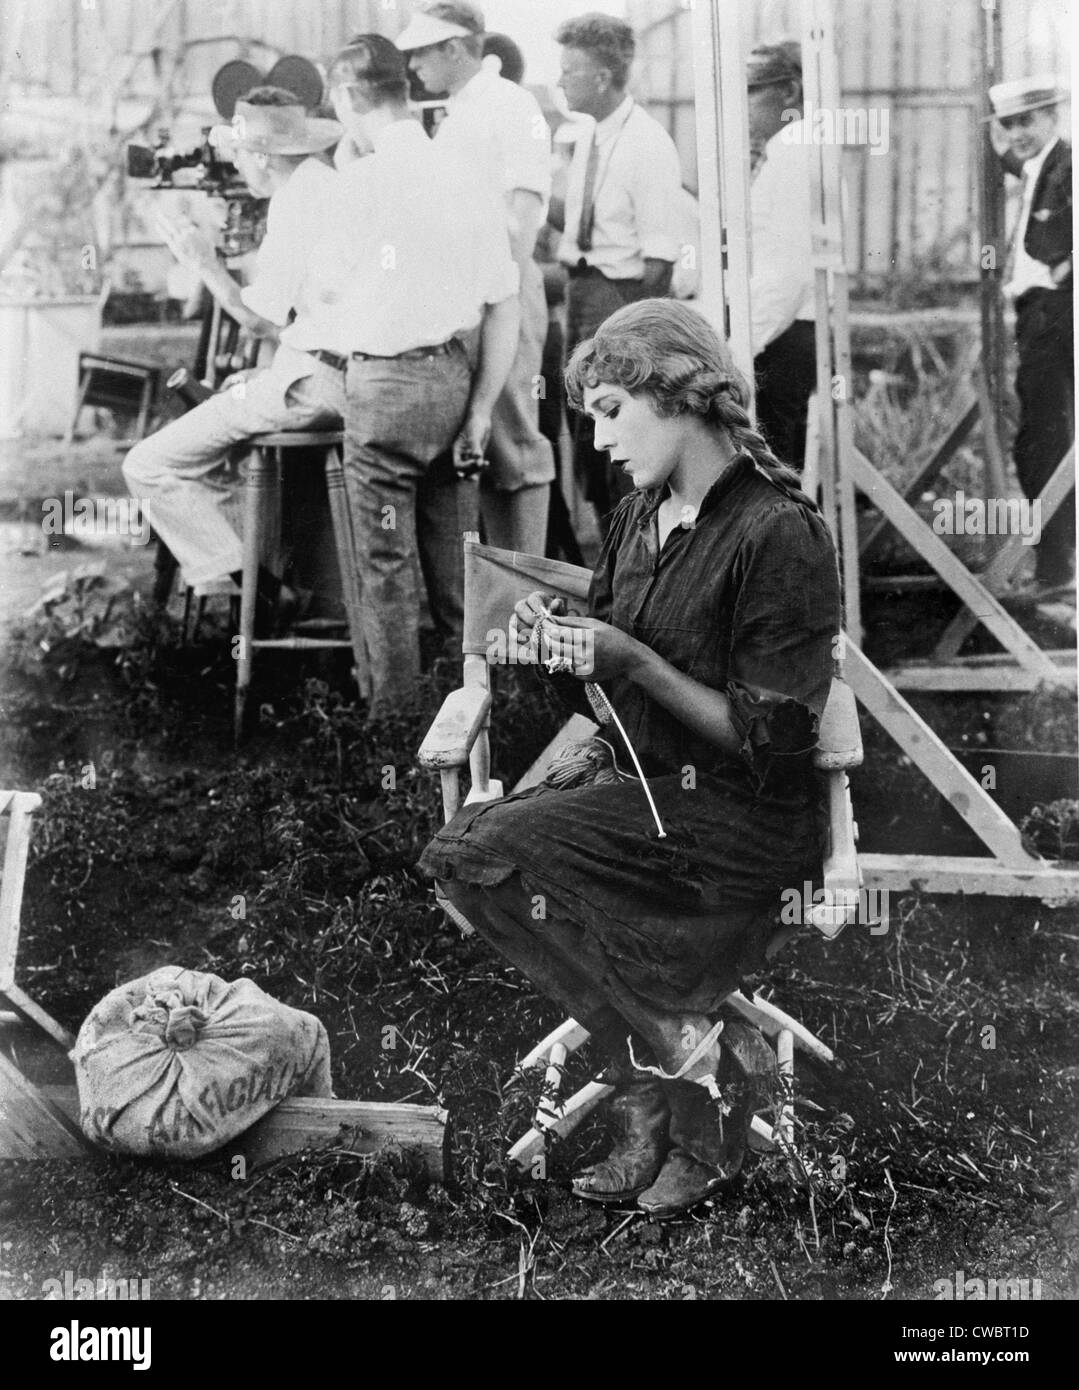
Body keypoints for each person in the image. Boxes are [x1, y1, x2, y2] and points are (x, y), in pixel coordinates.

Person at [420, 299, 841, 1217]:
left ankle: (681, 1105)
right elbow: (604, 692)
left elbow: (775, 745)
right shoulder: (636, 518)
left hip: (743, 820)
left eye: (611, 410)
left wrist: (633, 661)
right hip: (644, 795)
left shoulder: (778, 532)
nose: (600, 439)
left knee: (490, 851)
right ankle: (679, 1068)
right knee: (465, 858)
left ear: (679, 394)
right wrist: (564, 644)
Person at [319, 35, 520, 714]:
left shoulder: (355, 185)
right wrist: (484, 409)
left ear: (349, 98)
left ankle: (395, 733)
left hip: (385, 392)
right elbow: (503, 301)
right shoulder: (465, 174)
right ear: (407, 92)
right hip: (454, 382)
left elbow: (318, 303)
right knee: (456, 565)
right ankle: (479, 719)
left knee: (385, 567)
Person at [122, 89, 345, 620]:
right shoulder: (327, 186)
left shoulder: (295, 202)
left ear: (264, 155)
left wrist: (204, 263)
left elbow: (258, 319)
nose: (235, 164)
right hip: (332, 373)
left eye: (241, 153)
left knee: (148, 465)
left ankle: (257, 591)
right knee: (226, 411)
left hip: (311, 384)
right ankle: (266, 580)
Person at [395, 3, 555, 557]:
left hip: (503, 288)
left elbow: (524, 213)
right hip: (468, 293)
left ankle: (529, 593)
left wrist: (495, 296)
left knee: (513, 433)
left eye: (420, 53)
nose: (413, 66)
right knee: (481, 440)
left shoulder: (510, 105)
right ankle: (501, 599)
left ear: (454, 48)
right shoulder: (460, 112)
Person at [553, 13, 684, 529]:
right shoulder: (590, 136)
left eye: (570, 70)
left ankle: (634, 562)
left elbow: (659, 262)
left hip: (619, 298)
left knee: (620, 433)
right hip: (581, 291)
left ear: (603, 77)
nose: (560, 80)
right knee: (585, 433)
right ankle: (610, 554)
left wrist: (635, 342)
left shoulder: (647, 143)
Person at [988, 76, 1074, 598]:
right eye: (1010, 123)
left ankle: (1057, 568)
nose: (1018, 132)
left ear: (1054, 117)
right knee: (1041, 436)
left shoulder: (1069, 164)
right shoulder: (1039, 163)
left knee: (1044, 438)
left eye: (1028, 121)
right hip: (1037, 311)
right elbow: (1008, 156)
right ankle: (1056, 563)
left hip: (1056, 311)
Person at [745, 41, 818, 472]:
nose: (743, 106)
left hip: (781, 334)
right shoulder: (789, 150)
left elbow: (788, 273)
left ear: (789, 93)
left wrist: (739, 345)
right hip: (782, 330)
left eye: (752, 90)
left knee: (774, 468)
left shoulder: (793, 153)